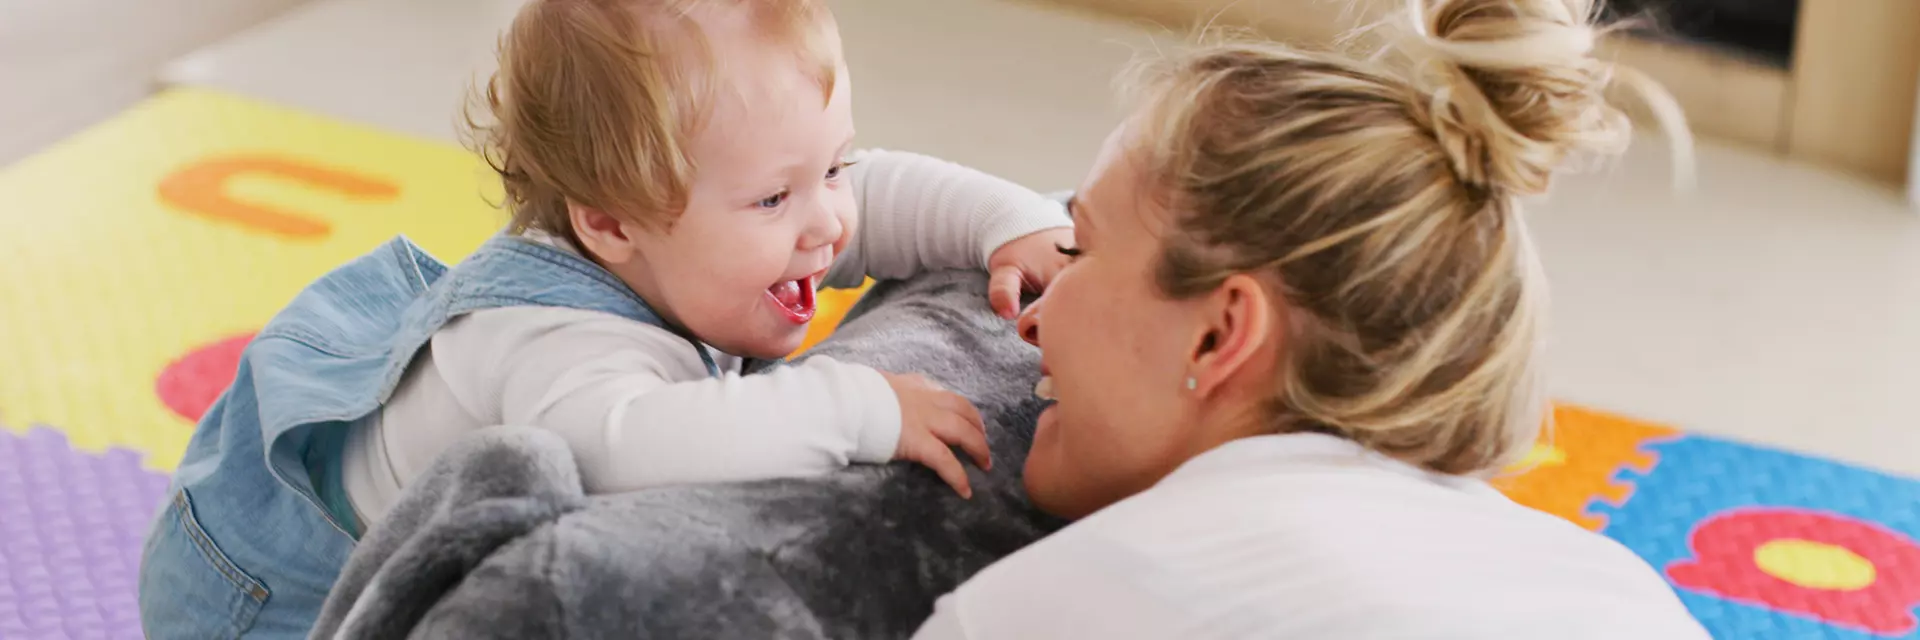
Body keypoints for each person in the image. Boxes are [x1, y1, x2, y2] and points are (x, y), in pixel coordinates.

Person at [138, 1, 1073, 637]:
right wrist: (857, 407)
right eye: (774, 199)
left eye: (829, 169)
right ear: (611, 223)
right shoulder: (567, 345)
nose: (828, 220)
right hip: (273, 591)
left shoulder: (710, 232)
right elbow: (629, 448)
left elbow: (886, 189)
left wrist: (1012, 223)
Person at [912, 0, 1710, 637]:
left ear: (1220, 333)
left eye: (1079, 249)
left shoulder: (1074, 595)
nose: (1029, 322)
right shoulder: (1608, 583)